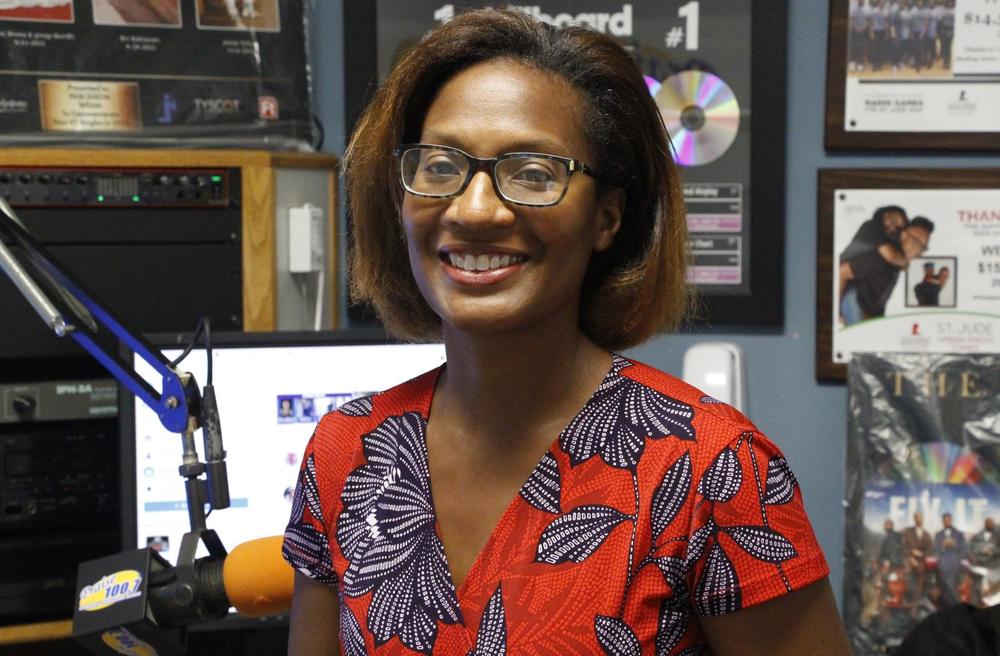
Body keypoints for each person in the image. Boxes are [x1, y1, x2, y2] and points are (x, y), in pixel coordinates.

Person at [282, 9, 850, 655]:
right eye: (440, 166)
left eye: (532, 173)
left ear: (606, 217)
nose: (474, 210)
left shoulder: (714, 472)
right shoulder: (346, 453)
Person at [840, 216, 934, 325]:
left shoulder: (898, 261)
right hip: (855, 308)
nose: (917, 250)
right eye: (915, 242)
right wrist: (836, 312)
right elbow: (842, 272)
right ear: (903, 235)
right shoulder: (881, 258)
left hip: (869, 314)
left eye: (923, 247)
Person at [936, 512, 968, 603]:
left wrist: (954, 545)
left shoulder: (959, 534)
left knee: (954, 591)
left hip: (955, 567)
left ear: (951, 520)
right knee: (943, 592)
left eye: (949, 520)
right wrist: (943, 545)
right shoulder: (938, 535)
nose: (947, 522)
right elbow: (935, 550)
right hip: (942, 568)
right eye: (945, 520)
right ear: (942, 521)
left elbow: (964, 549)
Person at [903, 511, 935, 596]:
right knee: (908, 587)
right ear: (914, 519)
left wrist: (922, 555)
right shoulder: (907, 532)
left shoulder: (927, 535)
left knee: (921, 588)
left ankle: (918, 604)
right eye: (917, 517)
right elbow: (903, 547)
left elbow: (930, 551)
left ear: (923, 519)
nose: (919, 519)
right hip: (909, 563)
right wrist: (911, 554)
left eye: (920, 517)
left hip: (922, 564)